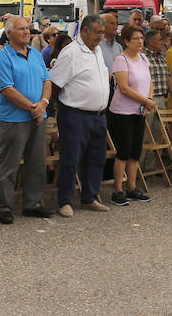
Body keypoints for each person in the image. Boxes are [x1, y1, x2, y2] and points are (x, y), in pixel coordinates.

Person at [48, 14, 112, 217]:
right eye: (98, 32)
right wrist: (62, 109)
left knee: (96, 157)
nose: (101, 36)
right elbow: (55, 84)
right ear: (85, 31)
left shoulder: (98, 50)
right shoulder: (71, 52)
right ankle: (65, 201)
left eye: (103, 32)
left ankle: (90, 196)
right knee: (71, 158)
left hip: (98, 114)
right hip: (75, 114)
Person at [0, 16, 56, 223]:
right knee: (10, 164)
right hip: (15, 119)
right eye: (21, 29)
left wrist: (43, 104)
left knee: (37, 162)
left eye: (28, 29)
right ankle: (4, 207)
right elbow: (7, 90)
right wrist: (32, 107)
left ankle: (33, 203)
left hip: (38, 116)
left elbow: (47, 80)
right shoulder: (3, 57)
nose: (26, 32)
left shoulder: (36, 54)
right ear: (9, 33)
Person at [109, 24, 155, 205]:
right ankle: (118, 189)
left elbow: (149, 81)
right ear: (127, 41)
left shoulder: (143, 58)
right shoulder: (121, 60)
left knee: (135, 151)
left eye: (141, 38)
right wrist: (145, 101)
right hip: (123, 112)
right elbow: (124, 88)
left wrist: (149, 98)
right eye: (136, 39)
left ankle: (132, 187)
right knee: (123, 151)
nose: (140, 42)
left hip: (139, 112)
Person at [142, 28, 171, 109]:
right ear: (151, 42)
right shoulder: (142, 57)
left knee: (161, 122)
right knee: (148, 121)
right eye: (160, 40)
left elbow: (168, 78)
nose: (163, 42)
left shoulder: (162, 58)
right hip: (147, 98)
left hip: (161, 98)